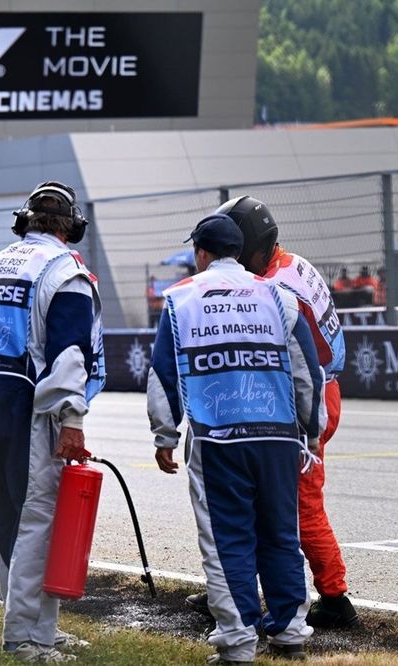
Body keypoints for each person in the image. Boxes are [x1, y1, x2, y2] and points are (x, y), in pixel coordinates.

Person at [148, 213, 323, 664]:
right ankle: (289, 634)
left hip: (217, 440)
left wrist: (164, 435)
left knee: (228, 540)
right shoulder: (278, 296)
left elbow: (164, 376)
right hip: (278, 437)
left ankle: (239, 640)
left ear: (202, 254)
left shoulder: (181, 299)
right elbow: (307, 371)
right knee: (282, 534)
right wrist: (311, 431)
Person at [0, 181, 105, 663]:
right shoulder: (65, 271)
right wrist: (72, 419)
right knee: (37, 522)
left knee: (9, 513)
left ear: (24, 221)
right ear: (72, 228)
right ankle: (25, 637)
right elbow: (69, 355)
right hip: (30, 407)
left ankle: (36, 624)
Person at [207, 195, 359, 630]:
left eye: (236, 247)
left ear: (251, 243)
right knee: (262, 497)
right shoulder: (292, 263)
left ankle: (334, 597)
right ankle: (239, 588)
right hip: (316, 391)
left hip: (306, 400)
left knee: (299, 506)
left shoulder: (277, 286)